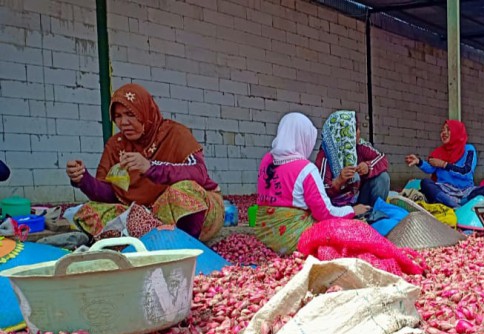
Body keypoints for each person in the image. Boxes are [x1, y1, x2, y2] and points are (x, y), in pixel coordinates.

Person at [66, 83, 223, 241]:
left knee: (181, 192)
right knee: (89, 210)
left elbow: (199, 173)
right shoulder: (116, 145)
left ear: (145, 112)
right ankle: (151, 239)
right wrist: (83, 179)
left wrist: (150, 168)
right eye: (118, 116)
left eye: (130, 114)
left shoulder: (174, 133)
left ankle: (187, 245)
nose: (124, 122)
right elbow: (110, 194)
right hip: (148, 215)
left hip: (194, 212)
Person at [256, 112, 370, 255]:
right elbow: (325, 213)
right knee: (353, 229)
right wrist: (352, 210)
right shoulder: (306, 169)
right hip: (291, 239)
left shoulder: (266, 160)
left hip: (263, 233)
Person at [404, 120, 484, 208]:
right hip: (444, 190)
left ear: (457, 132)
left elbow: (466, 171)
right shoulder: (439, 152)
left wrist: (444, 164)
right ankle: (455, 206)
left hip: (466, 190)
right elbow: (431, 168)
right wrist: (418, 162)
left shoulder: (469, 149)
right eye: (442, 130)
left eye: (448, 130)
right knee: (425, 183)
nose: (444, 133)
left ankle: (458, 203)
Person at [315, 110, 390, 207]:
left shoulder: (360, 146)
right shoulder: (325, 155)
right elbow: (319, 192)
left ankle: (373, 214)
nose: (359, 132)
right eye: (355, 129)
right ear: (345, 134)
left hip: (359, 200)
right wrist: (338, 181)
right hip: (336, 207)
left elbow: (382, 159)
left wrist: (368, 167)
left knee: (383, 178)